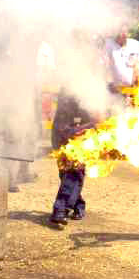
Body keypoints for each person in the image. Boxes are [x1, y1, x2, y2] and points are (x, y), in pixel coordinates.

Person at [49, 82, 101, 228]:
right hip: (65, 139)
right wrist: (91, 126)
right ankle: (78, 206)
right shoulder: (67, 101)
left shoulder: (84, 97)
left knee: (73, 174)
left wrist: (94, 127)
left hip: (79, 142)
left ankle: (61, 210)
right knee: (67, 175)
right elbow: (66, 129)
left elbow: (91, 120)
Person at [104, 28, 139, 98]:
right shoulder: (108, 44)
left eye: (123, 32)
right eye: (119, 32)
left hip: (131, 90)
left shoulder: (136, 45)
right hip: (114, 90)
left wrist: (136, 85)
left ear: (127, 33)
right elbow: (105, 66)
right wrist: (109, 83)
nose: (121, 34)